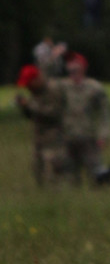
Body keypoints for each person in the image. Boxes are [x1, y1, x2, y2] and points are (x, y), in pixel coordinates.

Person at [54, 50, 110, 186]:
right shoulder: (62, 87)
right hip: (68, 137)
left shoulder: (95, 87)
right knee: (70, 176)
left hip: (88, 136)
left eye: (75, 63)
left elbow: (104, 114)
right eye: (69, 63)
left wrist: (103, 135)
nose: (72, 66)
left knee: (96, 173)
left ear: (83, 67)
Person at [15, 59, 61, 188]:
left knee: (51, 170)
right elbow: (31, 116)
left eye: (29, 83)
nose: (28, 87)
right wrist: (24, 107)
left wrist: (29, 105)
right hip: (38, 138)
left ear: (37, 79)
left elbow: (53, 114)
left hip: (54, 138)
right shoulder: (35, 93)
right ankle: (42, 195)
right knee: (37, 169)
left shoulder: (53, 89)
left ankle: (56, 197)